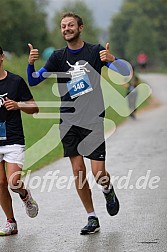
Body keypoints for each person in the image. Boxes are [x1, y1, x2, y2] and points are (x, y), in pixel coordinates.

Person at [27, 12, 130, 235]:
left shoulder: (94, 51)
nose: (67, 29)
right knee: (78, 170)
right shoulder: (57, 56)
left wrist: (113, 60)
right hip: (68, 120)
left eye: (71, 25)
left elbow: (124, 75)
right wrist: (30, 64)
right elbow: (34, 80)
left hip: (93, 119)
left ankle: (108, 189)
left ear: (80, 28)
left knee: (98, 172)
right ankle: (91, 217)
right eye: (63, 26)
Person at [0, 46, 39, 236]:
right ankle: (11, 222)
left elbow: (34, 107)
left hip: (13, 139)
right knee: (0, 183)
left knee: (13, 182)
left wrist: (17, 105)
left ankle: (25, 196)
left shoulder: (15, 81)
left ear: (1, 57)